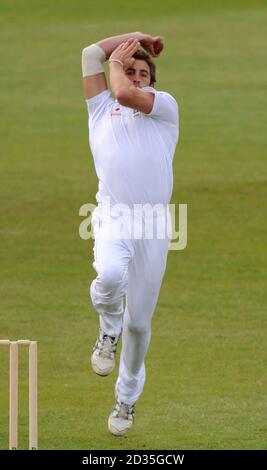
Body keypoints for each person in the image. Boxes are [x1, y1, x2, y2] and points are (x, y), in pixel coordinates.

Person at [81, 32, 179, 436]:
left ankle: (126, 398)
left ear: (151, 82)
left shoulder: (164, 105)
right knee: (109, 277)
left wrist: (119, 65)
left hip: (154, 224)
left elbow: (123, 92)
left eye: (144, 73)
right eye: (131, 70)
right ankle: (107, 328)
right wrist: (137, 36)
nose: (136, 77)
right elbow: (90, 54)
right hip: (114, 213)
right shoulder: (100, 108)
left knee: (139, 324)